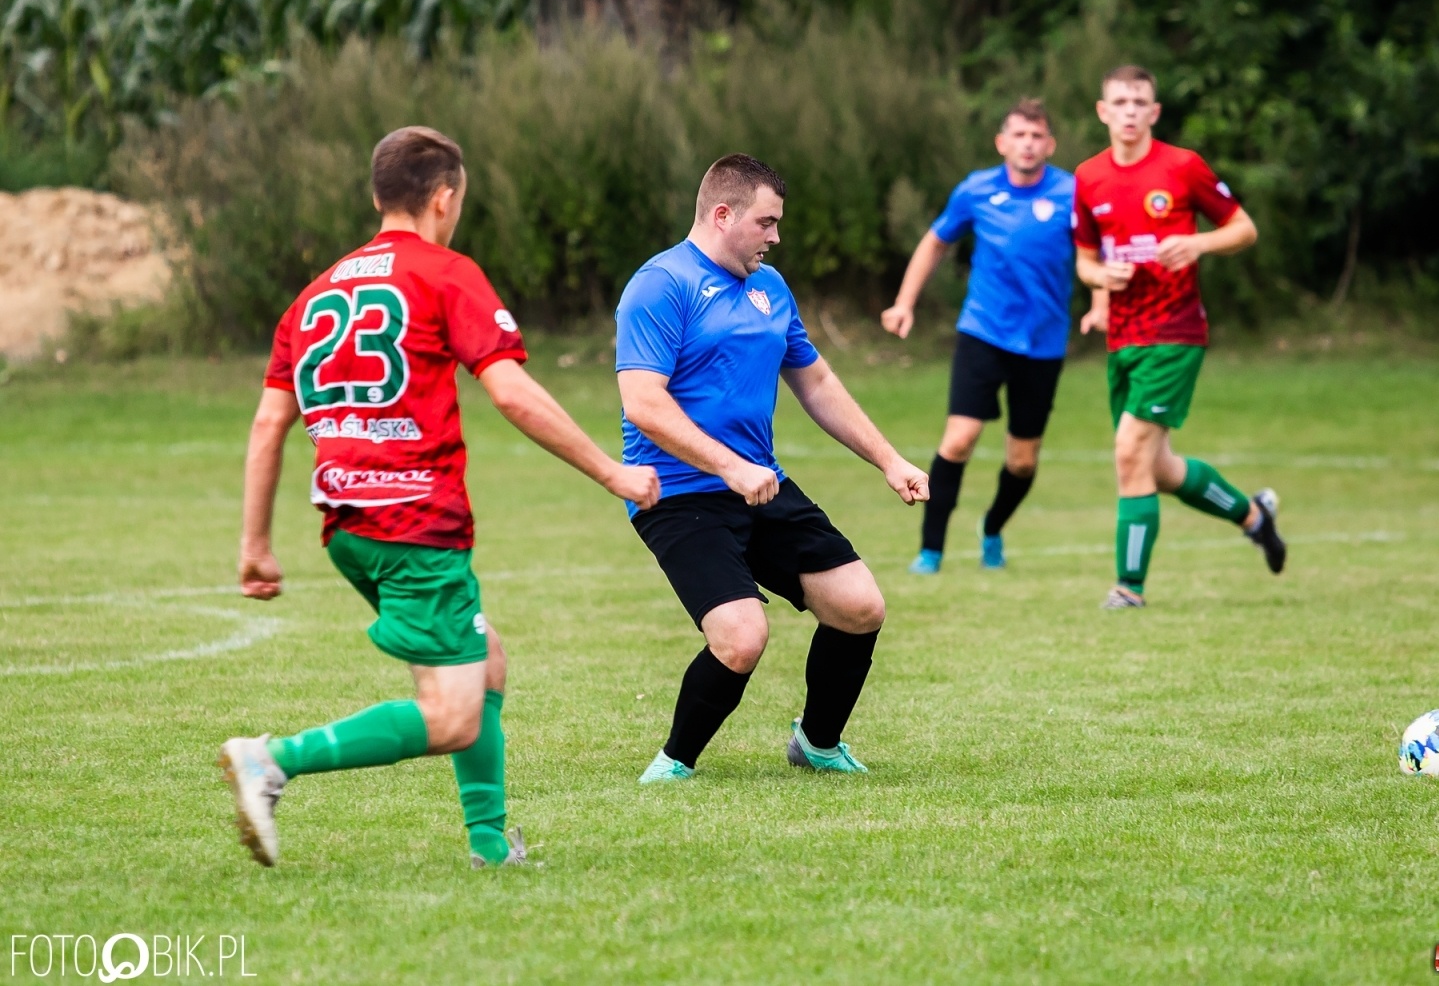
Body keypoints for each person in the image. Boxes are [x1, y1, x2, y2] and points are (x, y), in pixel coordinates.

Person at [220, 126, 660, 867]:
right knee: (452, 716)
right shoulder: (447, 272)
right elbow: (513, 394)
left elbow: (269, 425)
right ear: (444, 197)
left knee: (484, 660)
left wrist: (254, 544)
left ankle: (490, 846)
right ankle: (273, 760)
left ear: (376, 195)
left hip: (348, 527)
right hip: (415, 525)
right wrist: (613, 473)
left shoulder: (317, 292)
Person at [616, 153, 929, 783]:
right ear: (723, 214)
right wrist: (730, 467)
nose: (776, 236)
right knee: (741, 636)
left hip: (759, 485)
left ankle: (817, 743)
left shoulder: (770, 287)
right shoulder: (661, 284)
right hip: (676, 492)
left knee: (860, 606)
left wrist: (888, 459)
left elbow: (815, 382)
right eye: (767, 222)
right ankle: (675, 761)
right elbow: (644, 404)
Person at [1072, 66, 1286, 609]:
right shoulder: (1088, 177)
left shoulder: (1182, 166)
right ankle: (1254, 516)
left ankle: (1130, 587)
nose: (1127, 110)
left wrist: (1198, 245)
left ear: (1153, 112)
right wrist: (1102, 280)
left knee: (1128, 454)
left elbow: (1244, 228)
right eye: (1117, 101)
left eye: (1138, 101)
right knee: (1158, 467)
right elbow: (1086, 261)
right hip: (1123, 337)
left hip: (1175, 332)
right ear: (1103, 111)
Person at [881, 98, 1077, 574]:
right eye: (1019, 135)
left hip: (1044, 344)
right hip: (984, 333)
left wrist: (1108, 305)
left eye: (1037, 136)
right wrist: (904, 302)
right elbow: (935, 241)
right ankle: (931, 549)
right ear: (1002, 142)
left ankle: (992, 528)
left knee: (1023, 462)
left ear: (1049, 144)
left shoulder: (1073, 193)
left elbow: (1095, 253)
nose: (1027, 144)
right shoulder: (976, 190)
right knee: (959, 440)